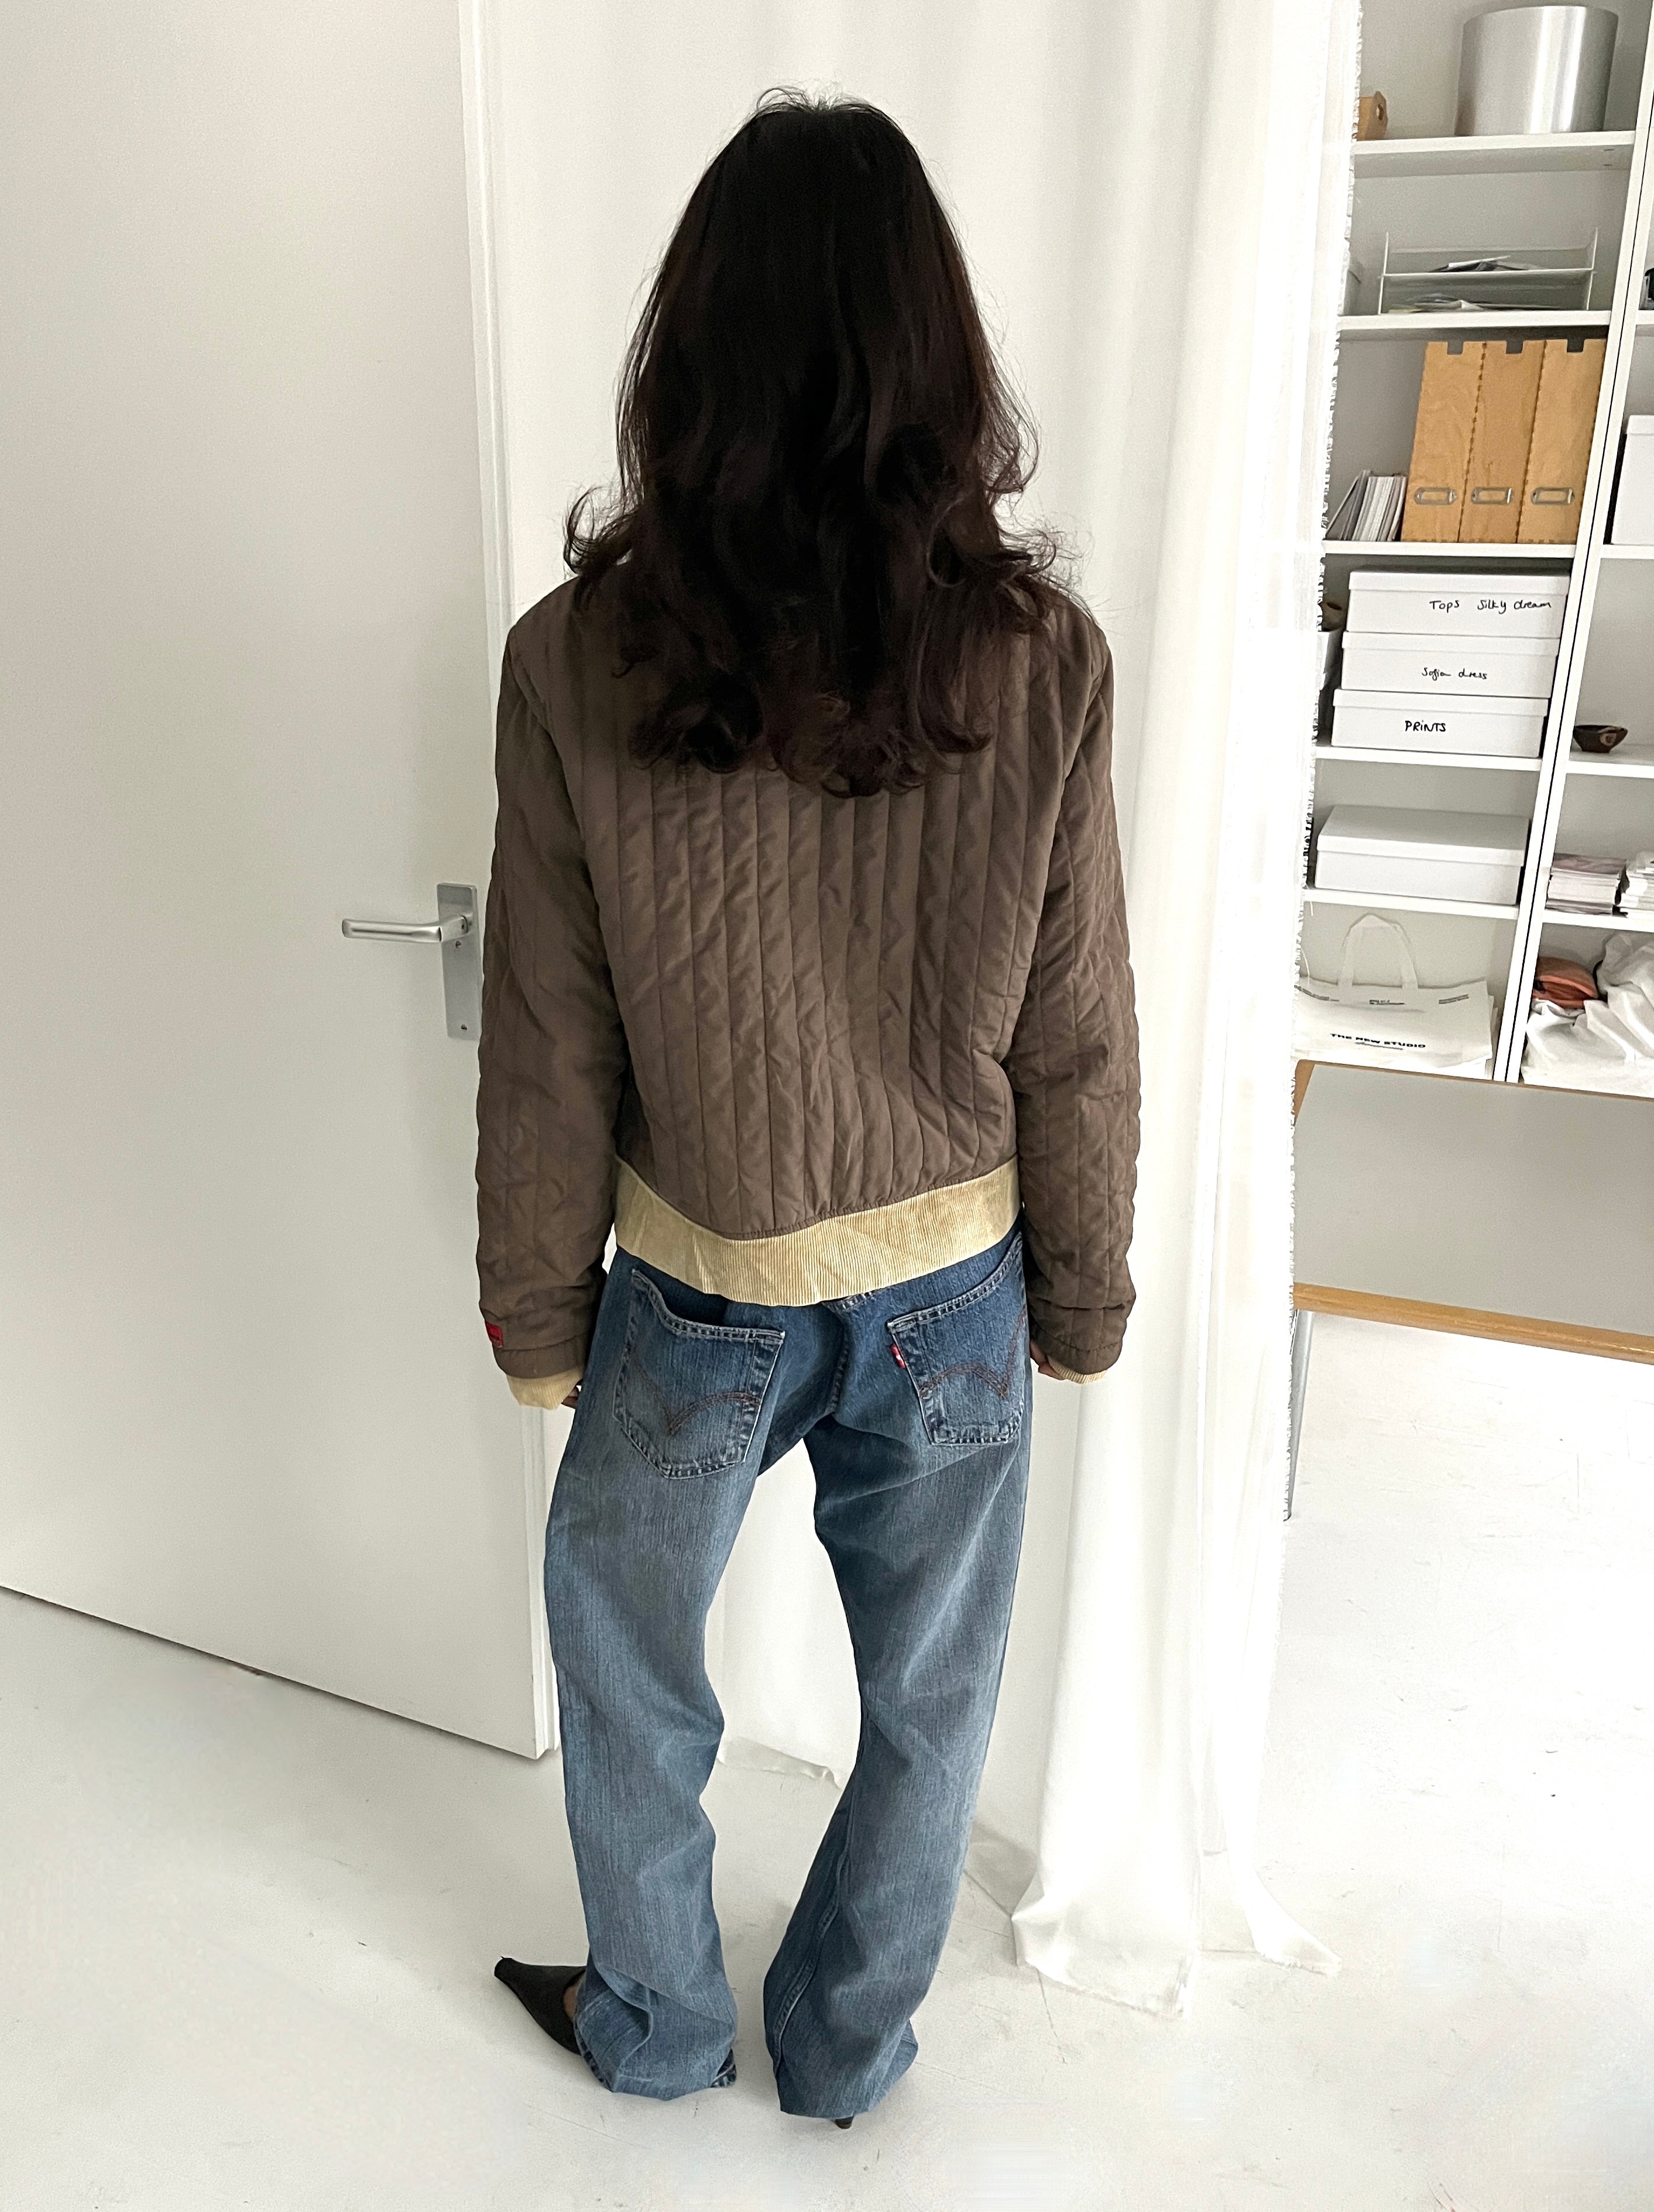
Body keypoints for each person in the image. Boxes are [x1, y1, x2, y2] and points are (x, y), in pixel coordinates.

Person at [476, 90, 1139, 2128]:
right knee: (933, 1698)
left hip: (698, 1282)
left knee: (623, 1660)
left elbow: (549, 1033)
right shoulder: (1042, 660)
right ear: (944, 364)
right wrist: (1085, 1289)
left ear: (686, 360)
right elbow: (1078, 1025)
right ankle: (845, 2049)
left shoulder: (574, 661)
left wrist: (538, 1310)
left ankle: (661, 2023)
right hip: (957, 1286)